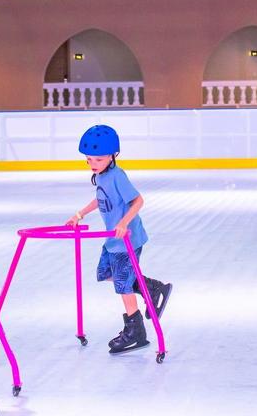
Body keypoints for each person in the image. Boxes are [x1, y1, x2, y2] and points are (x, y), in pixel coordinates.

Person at [66, 124, 172, 355]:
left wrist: (123, 223)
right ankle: (152, 288)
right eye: (89, 160)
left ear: (113, 155)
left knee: (123, 285)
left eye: (99, 159)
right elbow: (99, 199)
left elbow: (138, 201)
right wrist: (79, 214)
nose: (94, 164)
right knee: (105, 274)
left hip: (127, 240)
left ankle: (135, 331)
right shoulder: (101, 176)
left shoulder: (117, 175)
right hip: (113, 241)